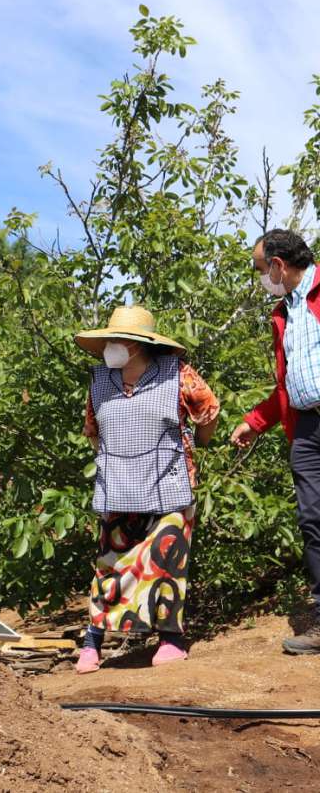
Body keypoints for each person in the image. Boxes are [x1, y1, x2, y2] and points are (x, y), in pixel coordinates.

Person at [73, 306, 219, 674]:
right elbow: (93, 432)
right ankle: (93, 641)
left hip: (169, 484)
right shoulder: (99, 381)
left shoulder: (178, 375)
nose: (109, 346)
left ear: (136, 345)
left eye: (115, 340)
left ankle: (170, 639)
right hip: (117, 489)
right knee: (110, 564)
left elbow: (208, 411)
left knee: (167, 562)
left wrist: (195, 444)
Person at [231, 229, 320, 655]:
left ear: (278, 265)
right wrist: (255, 421)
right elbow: (287, 385)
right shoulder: (282, 314)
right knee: (313, 521)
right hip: (306, 428)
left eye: (259, 268)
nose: (260, 277)